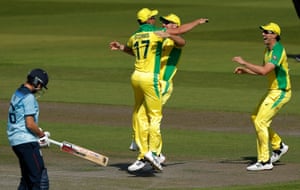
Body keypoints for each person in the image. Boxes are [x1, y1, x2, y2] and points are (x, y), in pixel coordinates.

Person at [110, 8, 208, 172]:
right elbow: (140, 53)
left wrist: (172, 33)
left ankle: (148, 154)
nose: (163, 24)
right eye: (162, 21)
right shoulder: (156, 35)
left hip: (162, 83)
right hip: (151, 81)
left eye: (167, 22)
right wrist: (122, 47)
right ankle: (151, 152)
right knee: (141, 115)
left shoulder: (171, 38)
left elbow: (182, 42)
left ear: (175, 25)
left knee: (147, 116)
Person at [232, 22, 291, 171]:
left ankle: (265, 161)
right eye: (263, 31)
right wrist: (246, 71)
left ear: (275, 35)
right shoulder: (268, 50)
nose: (263, 34)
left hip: (281, 92)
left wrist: (244, 61)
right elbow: (263, 70)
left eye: (267, 32)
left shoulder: (277, 50)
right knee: (255, 117)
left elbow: (265, 71)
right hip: (273, 91)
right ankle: (278, 146)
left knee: (260, 121)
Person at [7, 68, 51, 189]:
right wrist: (42, 135)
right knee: (38, 179)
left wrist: (37, 134)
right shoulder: (29, 98)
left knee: (26, 180)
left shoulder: (17, 93)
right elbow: (30, 124)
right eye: (41, 85)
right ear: (37, 83)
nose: (40, 89)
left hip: (16, 141)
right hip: (26, 142)